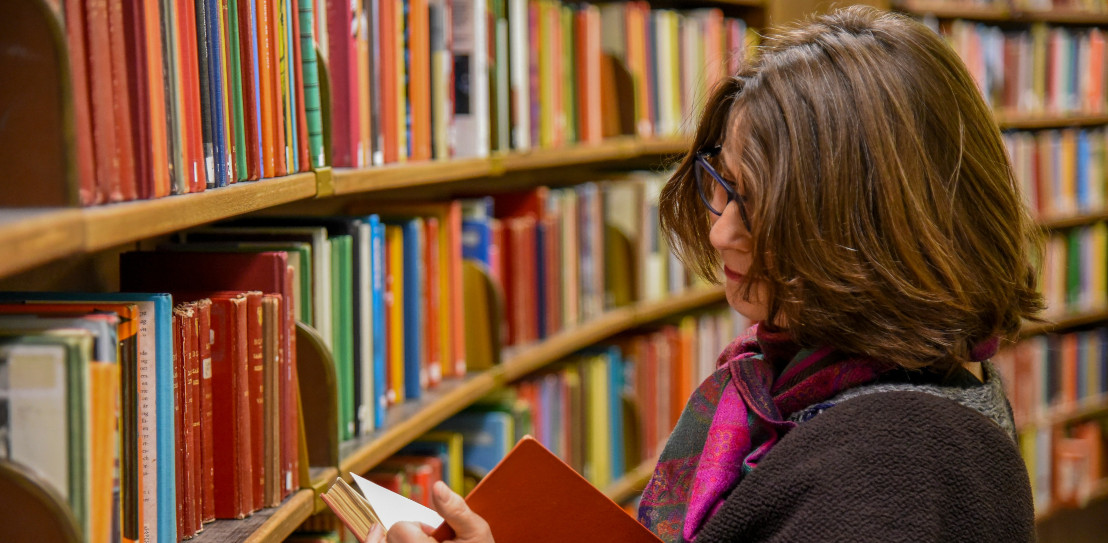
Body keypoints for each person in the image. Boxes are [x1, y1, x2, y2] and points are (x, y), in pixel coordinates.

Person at [383, 5, 1039, 542]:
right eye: (721, 185)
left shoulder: (893, 473)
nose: (720, 230)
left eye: (758, 205)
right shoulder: (798, 385)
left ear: (869, 226)